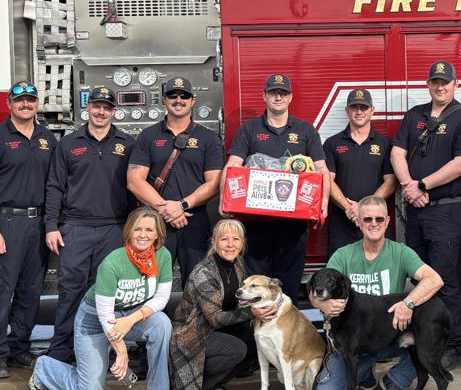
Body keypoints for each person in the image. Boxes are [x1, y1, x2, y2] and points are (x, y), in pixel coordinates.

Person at [29, 207, 174, 390]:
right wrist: (121, 352)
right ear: (129, 231)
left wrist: (130, 320)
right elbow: (105, 315)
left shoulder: (163, 256)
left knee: (162, 324)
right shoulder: (113, 262)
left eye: (149, 230)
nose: (143, 235)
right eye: (137, 229)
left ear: (157, 234)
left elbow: (161, 298)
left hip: (129, 315)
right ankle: (45, 368)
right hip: (95, 320)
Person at [391, 61, 461, 371]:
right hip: (416, 210)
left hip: (446, 210)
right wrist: (408, 186)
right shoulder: (414, 115)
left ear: (456, 84)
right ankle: (425, 341)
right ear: (428, 84)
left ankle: (452, 346)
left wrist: (422, 185)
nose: (440, 87)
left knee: (444, 279)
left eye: (446, 82)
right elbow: (397, 153)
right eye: (435, 82)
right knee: (418, 278)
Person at [310, 196, 444, 390]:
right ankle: (364, 373)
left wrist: (408, 303)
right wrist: (321, 304)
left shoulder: (400, 252)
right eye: (368, 219)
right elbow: (319, 287)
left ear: (387, 221)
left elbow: (435, 280)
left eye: (379, 219)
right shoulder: (343, 255)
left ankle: (396, 380)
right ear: (358, 221)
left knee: (426, 340)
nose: (374, 224)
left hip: (391, 336)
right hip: (355, 339)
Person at [44, 86, 136, 364]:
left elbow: (135, 188)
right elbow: (55, 187)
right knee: (70, 292)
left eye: (106, 108)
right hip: (76, 228)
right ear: (87, 108)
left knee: (105, 296)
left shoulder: (127, 144)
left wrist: (133, 231)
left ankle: (98, 353)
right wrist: (51, 225)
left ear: (114, 112)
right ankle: (60, 352)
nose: (101, 112)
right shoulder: (68, 144)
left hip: (114, 229)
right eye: (96, 106)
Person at [224, 73, 330, 300]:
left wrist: (323, 203)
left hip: (293, 224)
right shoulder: (249, 129)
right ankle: (258, 324)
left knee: (289, 285)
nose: (278, 98)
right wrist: (226, 201)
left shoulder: (306, 130)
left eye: (283, 93)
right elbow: (233, 166)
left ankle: (288, 322)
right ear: (264, 96)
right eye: (273, 93)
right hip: (256, 223)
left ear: (290, 97)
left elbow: (321, 170)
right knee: (256, 286)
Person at [0, 81, 54, 380]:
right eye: (20, 100)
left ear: (37, 104)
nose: (25, 105)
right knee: (1, 291)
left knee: (30, 292)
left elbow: (54, 185)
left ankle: (19, 347)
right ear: (9, 103)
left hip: (38, 223)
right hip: (6, 222)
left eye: (31, 100)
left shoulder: (48, 139)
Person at [128, 77, 224, 287]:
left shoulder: (208, 138)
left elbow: (215, 182)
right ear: (164, 100)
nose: (178, 100)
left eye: (184, 96)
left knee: (198, 285)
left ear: (193, 100)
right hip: (156, 222)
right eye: (173, 95)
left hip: (194, 221)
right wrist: (165, 209)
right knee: (149, 284)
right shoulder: (148, 136)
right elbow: (134, 181)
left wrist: (181, 205)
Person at [169, 219, 254, 390]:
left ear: (242, 244)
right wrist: (254, 312)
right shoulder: (204, 272)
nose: (230, 245)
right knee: (236, 349)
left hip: (216, 329)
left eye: (236, 239)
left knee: (254, 336)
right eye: (224, 239)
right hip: (193, 333)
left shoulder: (238, 264)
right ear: (214, 242)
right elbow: (215, 318)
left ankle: (215, 381)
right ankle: (201, 388)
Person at [322, 88, 396, 255]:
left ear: (372, 111)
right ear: (347, 110)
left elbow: (391, 182)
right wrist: (349, 208)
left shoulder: (385, 144)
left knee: (379, 268)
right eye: (354, 107)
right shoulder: (332, 143)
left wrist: (364, 208)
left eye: (364, 107)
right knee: (340, 270)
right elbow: (327, 180)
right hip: (342, 222)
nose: (359, 112)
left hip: (376, 223)